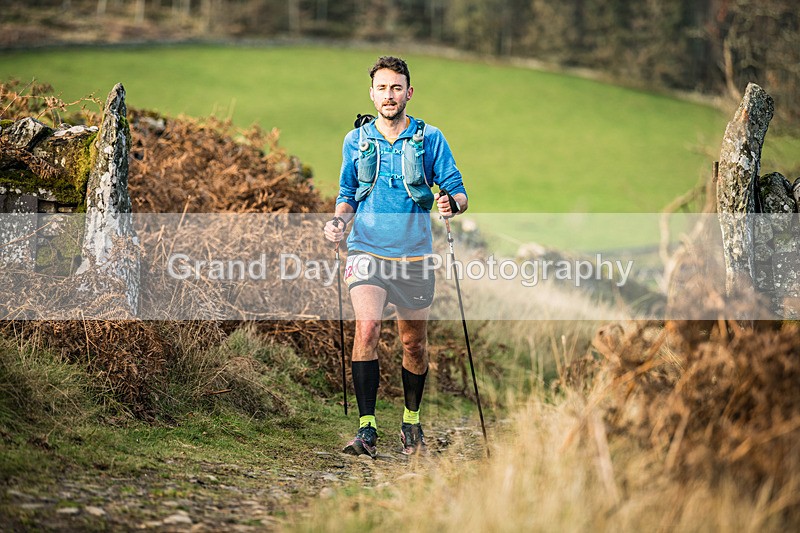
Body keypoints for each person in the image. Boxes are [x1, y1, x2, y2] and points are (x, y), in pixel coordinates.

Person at [323, 56, 468, 457]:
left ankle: (410, 422)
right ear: (372, 94)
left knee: (414, 344)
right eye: (382, 88)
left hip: (415, 256)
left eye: (396, 88)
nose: (389, 95)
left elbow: (459, 191)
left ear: (409, 92)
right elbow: (346, 195)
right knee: (366, 330)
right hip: (366, 250)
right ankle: (367, 430)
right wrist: (336, 222)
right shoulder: (356, 141)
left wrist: (450, 205)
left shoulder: (430, 138)